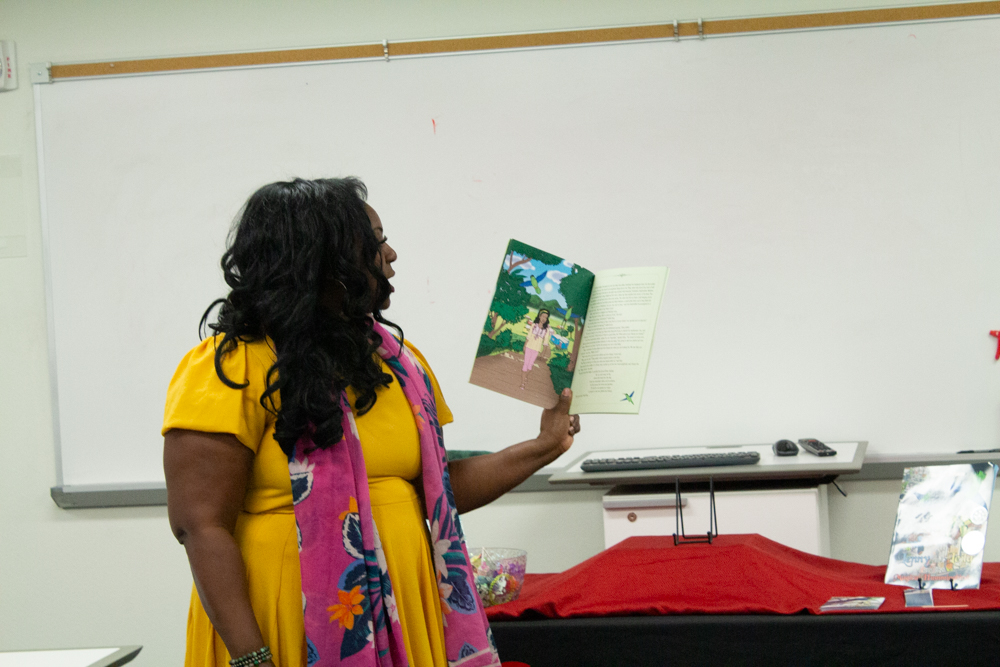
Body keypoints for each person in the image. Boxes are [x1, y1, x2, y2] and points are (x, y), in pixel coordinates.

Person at [162, 177, 580, 667]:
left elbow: (438, 493)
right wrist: (252, 659)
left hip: (406, 610)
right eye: (375, 243)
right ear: (321, 261)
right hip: (283, 624)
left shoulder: (398, 363)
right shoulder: (230, 368)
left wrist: (544, 445)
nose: (391, 255)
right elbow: (200, 525)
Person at [519, 309, 551, 390]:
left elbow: (546, 342)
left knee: (530, 366)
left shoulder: (546, 329)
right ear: (539, 316)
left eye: (546, 317)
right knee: (525, 365)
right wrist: (525, 346)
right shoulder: (534, 325)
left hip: (536, 350)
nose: (544, 318)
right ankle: (522, 383)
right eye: (543, 316)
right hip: (529, 347)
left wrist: (543, 352)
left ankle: (525, 377)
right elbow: (529, 336)